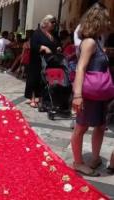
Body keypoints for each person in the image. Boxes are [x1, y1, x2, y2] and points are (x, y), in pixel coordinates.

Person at [71, 2, 111, 176]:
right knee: (81, 127)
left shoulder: (97, 41)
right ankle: (78, 162)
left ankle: (95, 158)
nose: (109, 22)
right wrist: (78, 95)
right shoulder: (89, 42)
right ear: (99, 20)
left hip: (100, 93)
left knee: (100, 126)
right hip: (89, 92)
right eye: (106, 19)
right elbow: (81, 68)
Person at [24, 15, 61, 108]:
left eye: (54, 22)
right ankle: (32, 98)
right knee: (34, 78)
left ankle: (39, 97)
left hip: (49, 60)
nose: (54, 24)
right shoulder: (37, 33)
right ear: (45, 23)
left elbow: (58, 43)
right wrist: (43, 47)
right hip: (37, 59)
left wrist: (59, 47)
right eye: (52, 22)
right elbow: (33, 45)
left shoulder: (54, 34)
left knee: (43, 80)